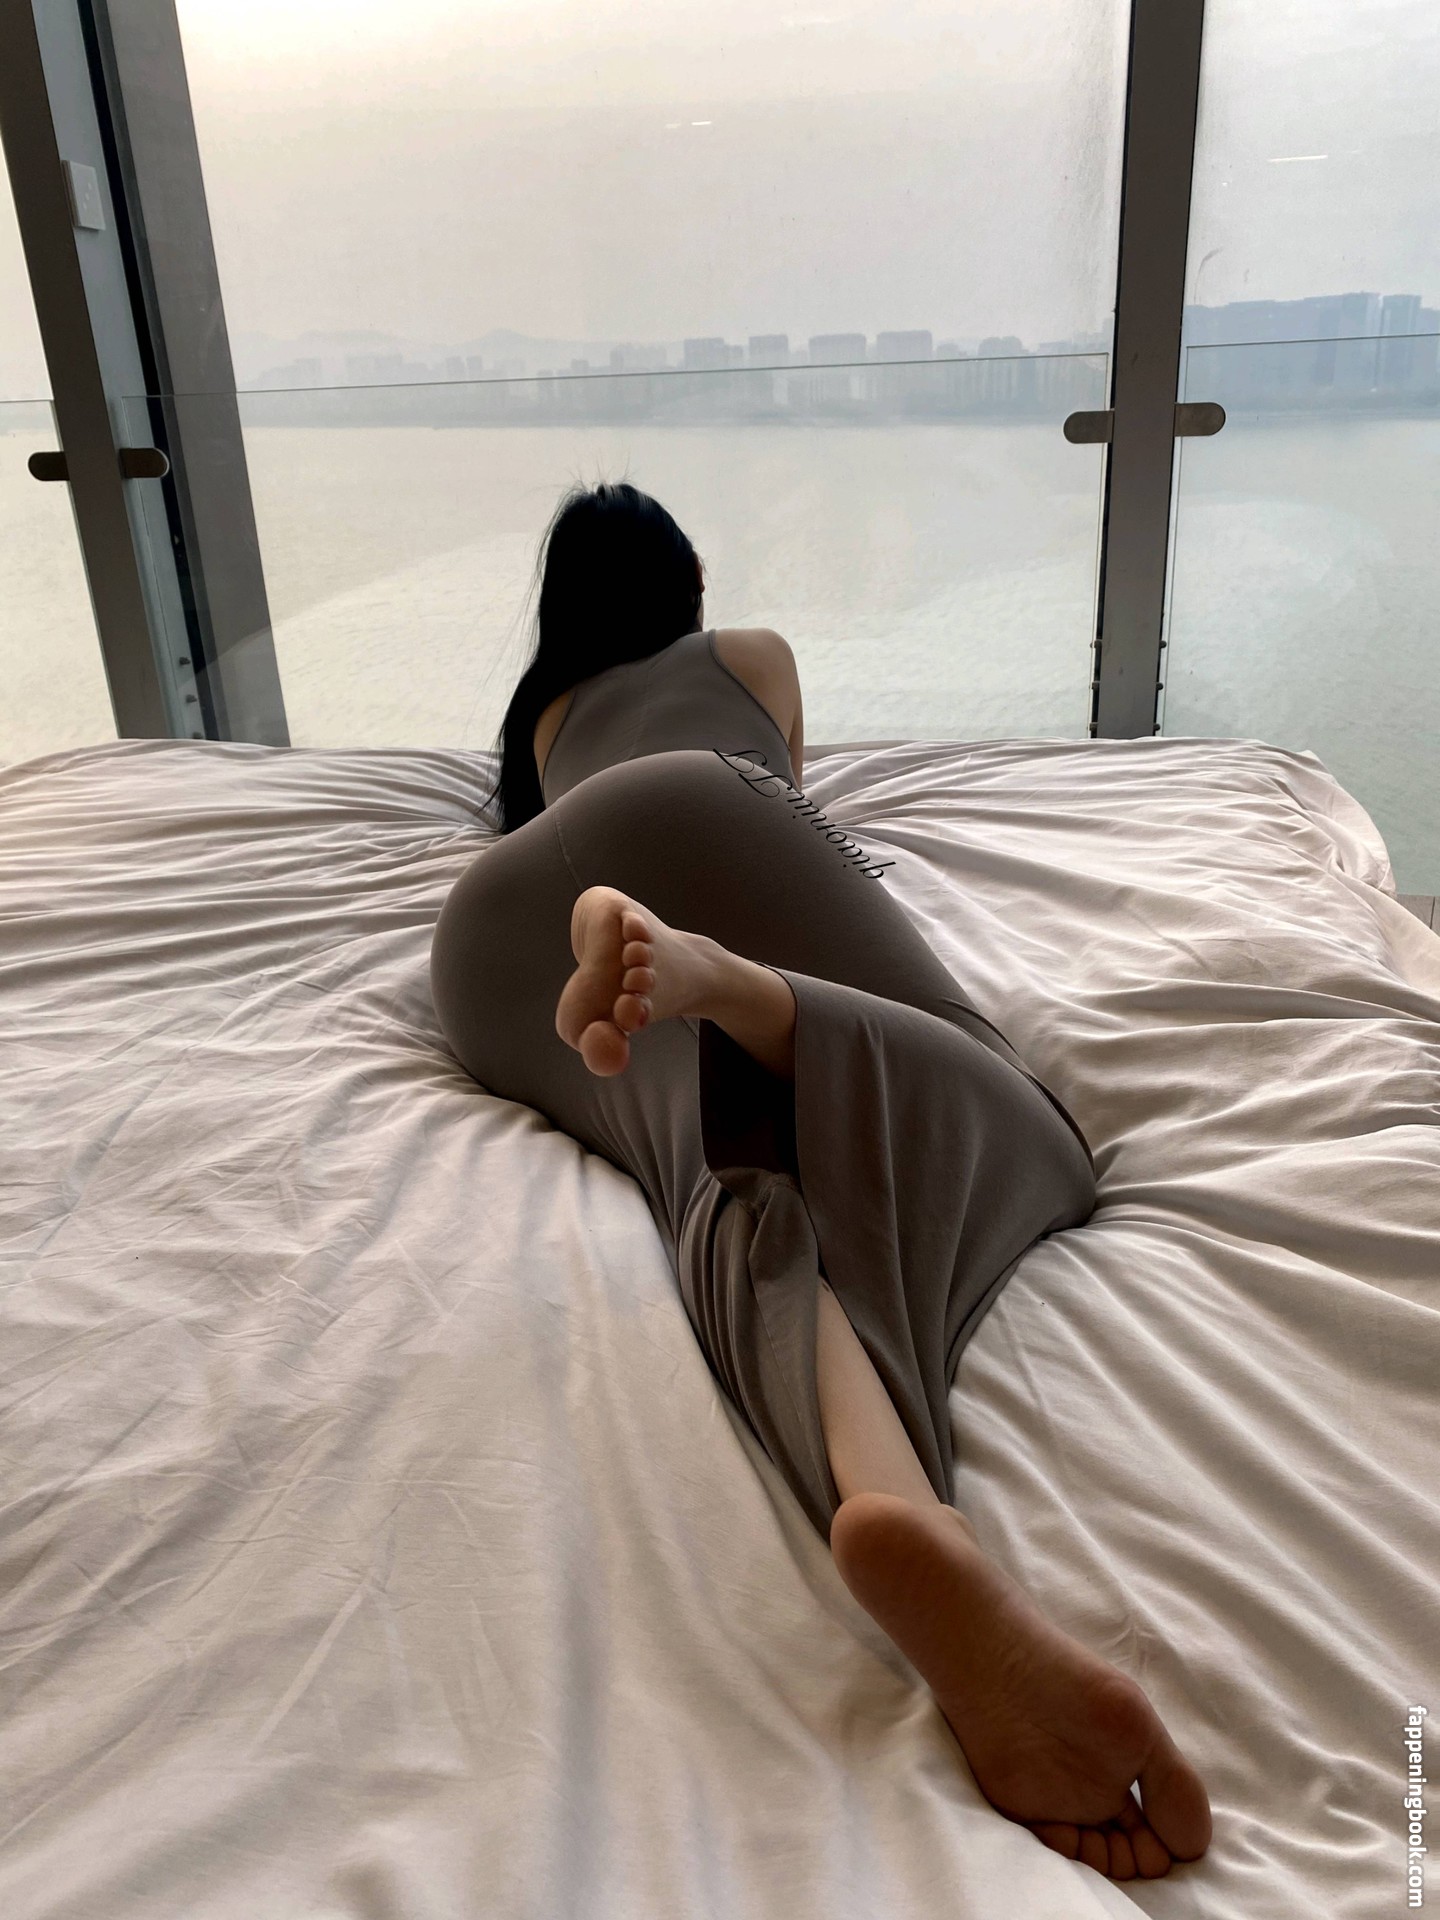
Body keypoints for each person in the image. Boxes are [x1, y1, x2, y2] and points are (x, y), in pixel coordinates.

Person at [430, 481, 1212, 1883]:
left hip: (486, 951)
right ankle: (741, 990)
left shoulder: (539, 722)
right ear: (686, 580)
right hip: (694, 816)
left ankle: (893, 1498)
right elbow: (792, 794)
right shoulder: (749, 656)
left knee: (719, 1163)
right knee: (1015, 1116)